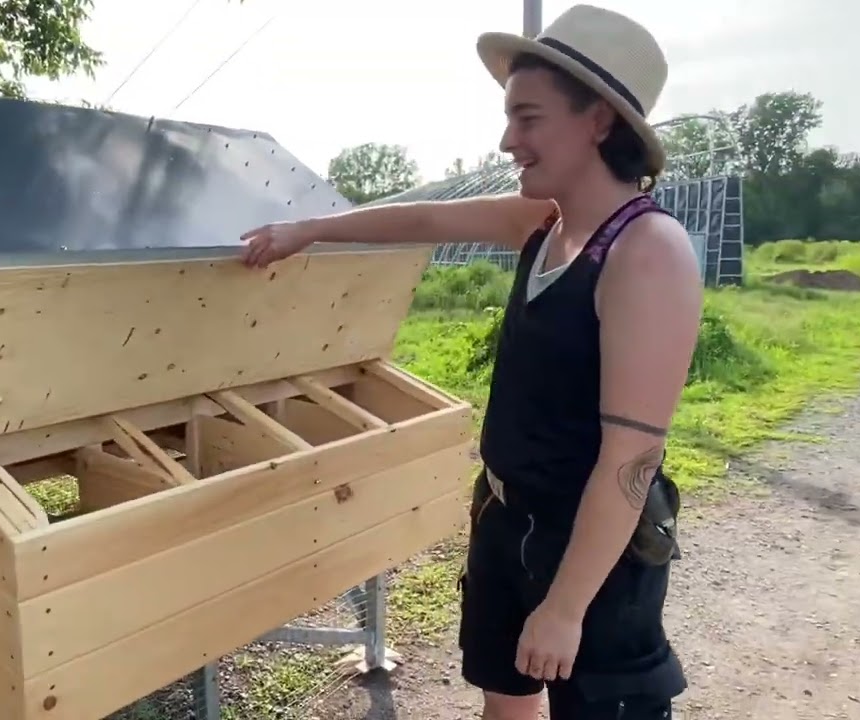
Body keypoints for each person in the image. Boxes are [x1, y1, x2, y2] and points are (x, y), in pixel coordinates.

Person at [237, 5, 701, 719]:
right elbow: (424, 219)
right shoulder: (543, 224)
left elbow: (630, 459)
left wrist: (566, 607)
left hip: (592, 557)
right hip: (506, 519)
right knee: (505, 703)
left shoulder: (645, 253)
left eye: (528, 118)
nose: (508, 140)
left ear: (600, 120)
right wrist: (310, 230)